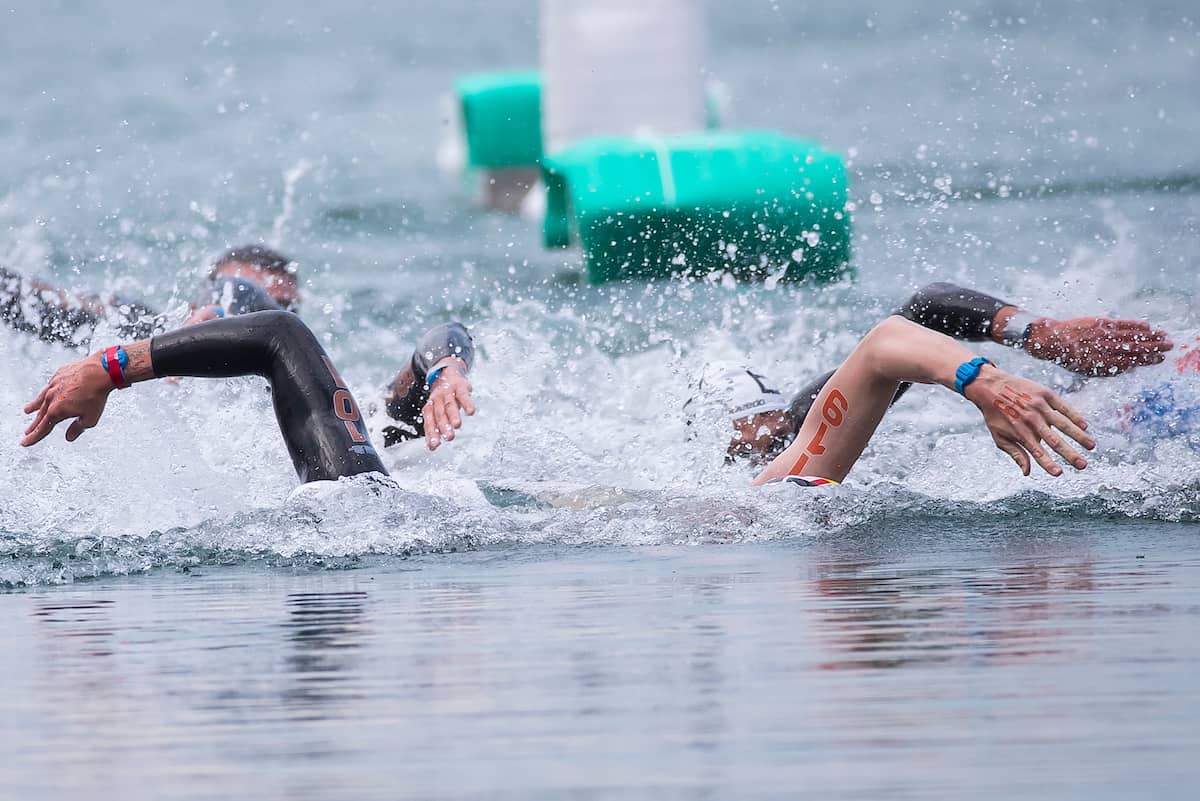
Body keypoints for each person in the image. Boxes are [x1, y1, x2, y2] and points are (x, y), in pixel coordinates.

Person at [703, 282, 1173, 464]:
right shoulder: (750, 490)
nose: (775, 436)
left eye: (777, 422)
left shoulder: (808, 425)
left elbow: (911, 319)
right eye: (752, 441)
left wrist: (1038, 334)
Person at [20, 310, 478, 483]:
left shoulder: (377, 426)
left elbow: (448, 332)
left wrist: (447, 371)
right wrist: (108, 367)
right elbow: (275, 328)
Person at [752, 313, 1096, 486]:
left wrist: (986, 381)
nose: (773, 431)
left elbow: (887, 340)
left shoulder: (771, 498)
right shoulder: (766, 505)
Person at [0, 244, 301, 347]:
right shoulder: (141, 330)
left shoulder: (300, 376)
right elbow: (39, 300)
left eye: (281, 307)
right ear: (197, 308)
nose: (266, 314)